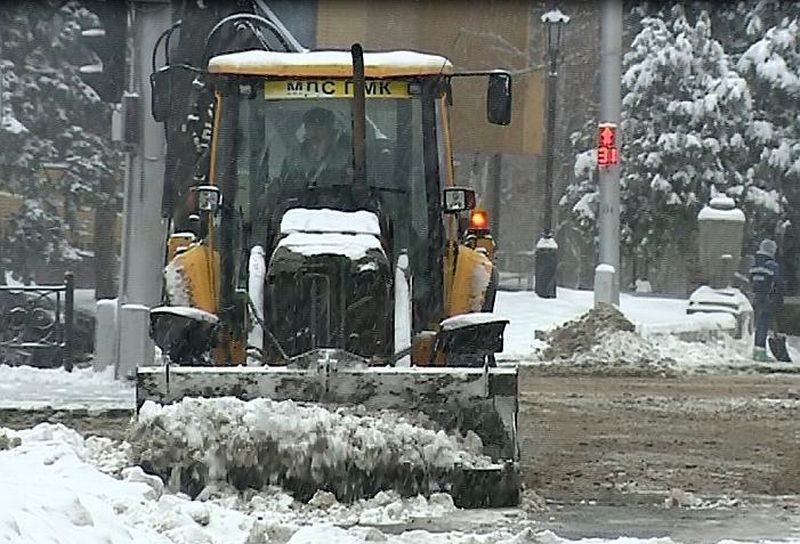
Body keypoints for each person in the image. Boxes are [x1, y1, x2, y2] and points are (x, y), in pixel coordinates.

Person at [278, 107, 350, 192]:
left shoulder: (344, 158)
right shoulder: (293, 157)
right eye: (311, 126)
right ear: (306, 129)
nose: (316, 132)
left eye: (321, 126)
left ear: (331, 130)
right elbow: (283, 187)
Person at [749, 238, 785, 361]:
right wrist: (778, 298)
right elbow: (779, 283)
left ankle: (758, 350)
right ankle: (760, 353)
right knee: (764, 324)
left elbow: (751, 280)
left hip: (757, 297)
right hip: (769, 298)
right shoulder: (772, 265)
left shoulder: (755, 264)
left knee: (760, 325)